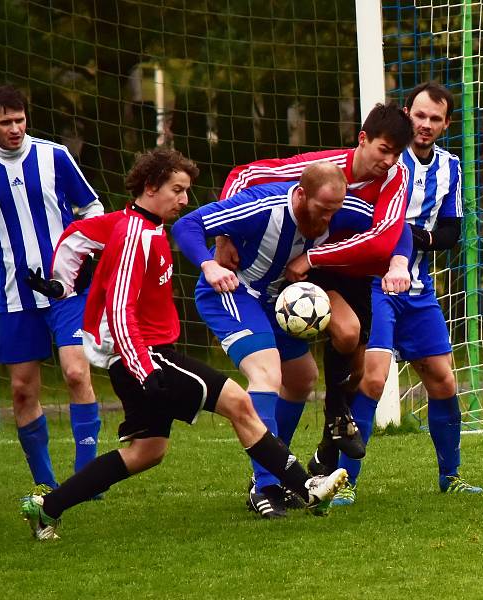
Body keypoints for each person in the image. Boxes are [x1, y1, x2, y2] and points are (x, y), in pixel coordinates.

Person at [20, 148, 348, 540]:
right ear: (150, 186)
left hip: (137, 358)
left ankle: (46, 508)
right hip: (146, 357)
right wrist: (145, 370)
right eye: (177, 190)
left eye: (186, 190)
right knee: (240, 404)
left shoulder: (131, 223)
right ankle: (305, 486)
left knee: (147, 452)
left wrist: (60, 284)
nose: (184, 200)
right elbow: (121, 311)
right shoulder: (135, 235)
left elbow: (76, 237)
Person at [172, 161, 412, 518]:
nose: (328, 221)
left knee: (302, 378)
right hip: (233, 292)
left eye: (334, 212)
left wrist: (398, 264)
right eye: (321, 211)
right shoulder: (261, 206)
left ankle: (279, 469)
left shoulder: (336, 208)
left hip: (273, 300)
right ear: (300, 195)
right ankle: (265, 484)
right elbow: (186, 224)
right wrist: (209, 264)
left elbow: (394, 229)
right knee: (267, 375)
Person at [214, 102, 414, 471]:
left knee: (359, 370)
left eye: (396, 153)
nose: (389, 161)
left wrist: (316, 257)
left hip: (350, 273)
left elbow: (387, 237)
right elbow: (245, 175)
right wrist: (225, 233)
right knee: (347, 332)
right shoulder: (323, 170)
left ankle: (326, 443)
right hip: (316, 276)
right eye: (384, 150)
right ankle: (279, 465)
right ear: (363, 139)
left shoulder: (395, 177)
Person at [0, 85, 102, 492]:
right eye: (5, 121)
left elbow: (93, 208)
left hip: (66, 288)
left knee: (76, 372)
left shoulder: (55, 156)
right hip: (15, 295)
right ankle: (46, 484)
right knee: (21, 391)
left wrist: (87, 251)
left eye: (20, 120)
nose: (14, 128)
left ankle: (88, 476)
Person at [327, 82, 483, 506]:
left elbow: (452, 230)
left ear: (446, 123)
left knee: (443, 379)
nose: (426, 125)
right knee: (374, 379)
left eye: (435, 118)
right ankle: (344, 481)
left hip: (418, 288)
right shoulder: (387, 164)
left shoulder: (451, 167)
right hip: (375, 286)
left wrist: (417, 240)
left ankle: (450, 476)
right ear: (407, 115)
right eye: (420, 116)